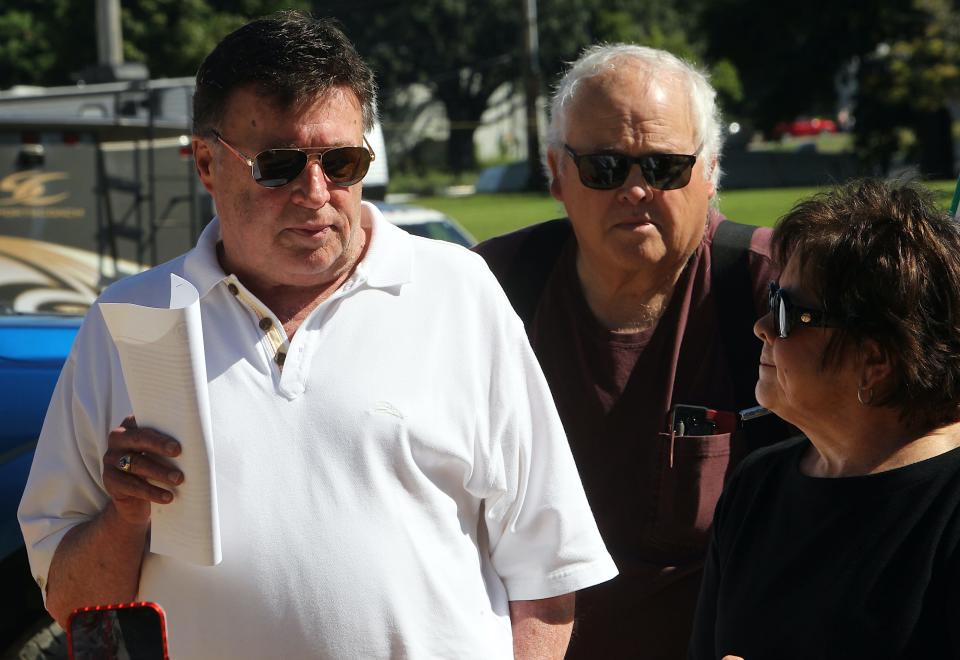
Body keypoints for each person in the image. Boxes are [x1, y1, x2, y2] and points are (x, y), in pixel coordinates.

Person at [18, 12, 617, 660]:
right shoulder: (132, 319)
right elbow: (71, 601)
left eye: (342, 161)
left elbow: (549, 574)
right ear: (205, 164)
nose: (316, 192)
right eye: (278, 165)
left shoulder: (457, 291)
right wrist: (128, 514)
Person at [476, 44, 795, 658]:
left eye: (664, 167)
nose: (636, 190)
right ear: (555, 173)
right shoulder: (488, 291)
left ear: (710, 172)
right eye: (604, 166)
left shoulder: (778, 293)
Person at [689, 179, 960, 659]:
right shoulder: (757, 486)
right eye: (771, 298)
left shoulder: (946, 510)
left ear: (875, 359)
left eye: (788, 312)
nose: (762, 326)